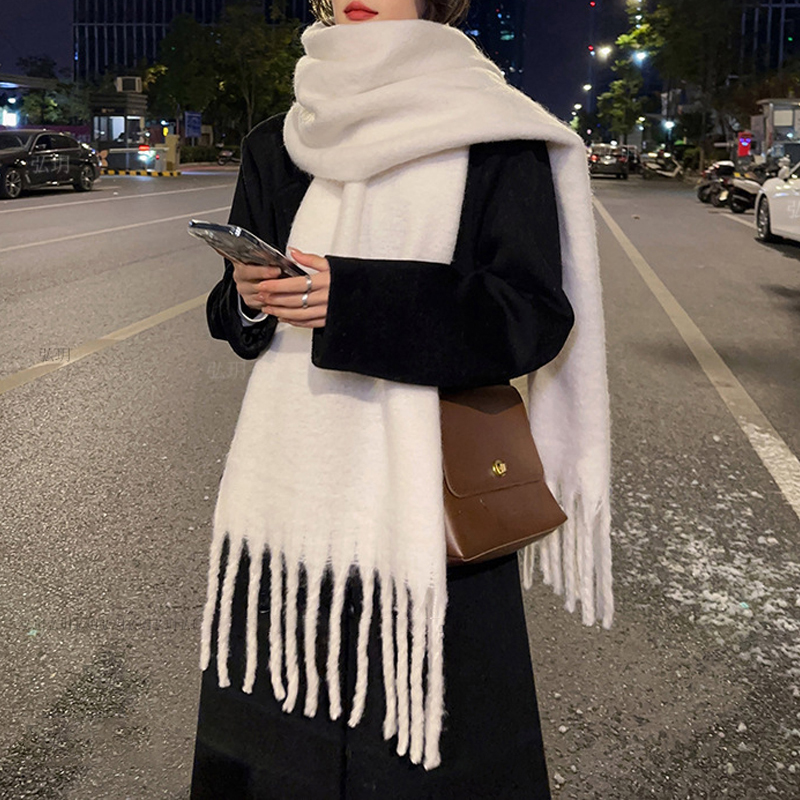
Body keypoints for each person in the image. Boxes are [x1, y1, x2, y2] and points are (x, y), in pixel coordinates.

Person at [191, 0, 613, 797]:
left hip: (428, 511)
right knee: (280, 749)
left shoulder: (494, 134)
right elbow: (234, 319)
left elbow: (529, 316)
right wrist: (247, 297)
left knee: (427, 756)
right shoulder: (279, 141)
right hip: (289, 505)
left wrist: (355, 300)